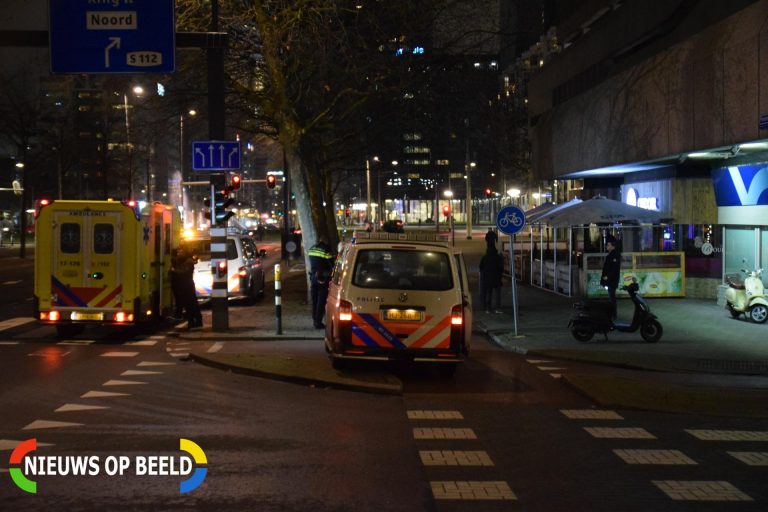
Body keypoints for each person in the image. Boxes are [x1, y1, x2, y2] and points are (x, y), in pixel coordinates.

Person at [170, 246, 203, 329]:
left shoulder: (188, 262)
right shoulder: (182, 261)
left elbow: (184, 272)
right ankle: (193, 321)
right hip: (183, 286)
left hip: (188, 286)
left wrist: (174, 270)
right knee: (189, 305)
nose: (179, 254)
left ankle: (195, 322)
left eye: (181, 252)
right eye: (178, 252)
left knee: (191, 305)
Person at [308, 236, 335, 329]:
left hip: (313, 277)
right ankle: (318, 322)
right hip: (322, 278)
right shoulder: (325, 250)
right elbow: (332, 263)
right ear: (325, 242)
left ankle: (314, 319)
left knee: (314, 300)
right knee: (321, 300)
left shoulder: (311, 249)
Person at [479, 244, 505, 313]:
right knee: (497, 294)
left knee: (489, 293)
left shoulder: (485, 257)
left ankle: (488, 308)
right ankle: (498, 308)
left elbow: (481, 267)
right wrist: (500, 274)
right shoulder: (498, 257)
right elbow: (501, 268)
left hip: (487, 278)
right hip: (496, 278)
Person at [600, 235, 621, 320]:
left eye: (608, 245)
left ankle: (613, 315)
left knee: (612, 298)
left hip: (611, 280)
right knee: (611, 297)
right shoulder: (612, 254)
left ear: (612, 246)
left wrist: (607, 277)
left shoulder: (614, 255)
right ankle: (613, 314)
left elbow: (613, 269)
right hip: (611, 280)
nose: (607, 246)